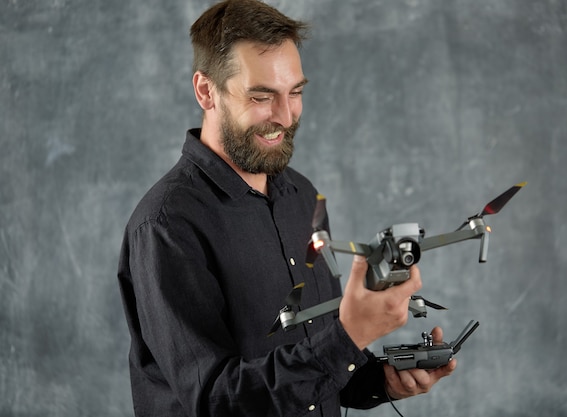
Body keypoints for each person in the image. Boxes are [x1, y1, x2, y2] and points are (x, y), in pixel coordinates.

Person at [117, 1, 456, 416]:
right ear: (207, 91)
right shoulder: (165, 225)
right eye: (262, 96)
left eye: (295, 92)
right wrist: (350, 336)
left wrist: (383, 380)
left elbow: (319, 364)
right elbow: (215, 402)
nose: (285, 115)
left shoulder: (303, 197)